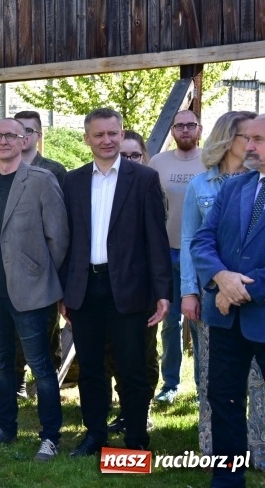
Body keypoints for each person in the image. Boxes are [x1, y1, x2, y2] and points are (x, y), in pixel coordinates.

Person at [61, 107, 171, 456]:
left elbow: (156, 238)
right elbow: (68, 240)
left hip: (129, 287)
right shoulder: (74, 181)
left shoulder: (143, 179)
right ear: (87, 138)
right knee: (91, 368)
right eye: (99, 135)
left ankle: (136, 439)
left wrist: (163, 292)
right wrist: (66, 291)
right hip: (85, 288)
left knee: (132, 367)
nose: (107, 140)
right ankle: (95, 436)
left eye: (113, 133)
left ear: (122, 135)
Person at [0, 118, 68, 460]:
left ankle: (50, 435)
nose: (4, 141)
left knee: (41, 365)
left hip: (32, 291)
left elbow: (58, 237)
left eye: (11, 135)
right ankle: (6, 426)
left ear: (25, 139)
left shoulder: (42, 180)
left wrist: (40, 275)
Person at [180, 111, 265, 469]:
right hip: (225, 319)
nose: (250, 146)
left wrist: (237, 288)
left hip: (255, 312)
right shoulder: (236, 186)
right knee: (224, 399)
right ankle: (228, 478)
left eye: (258, 140)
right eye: (249, 139)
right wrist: (220, 277)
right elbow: (201, 240)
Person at [148, 109, 205, 404]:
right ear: (172, 131)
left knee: (199, 322)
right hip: (166, 250)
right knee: (169, 321)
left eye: (190, 125)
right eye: (179, 125)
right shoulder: (158, 162)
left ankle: (201, 385)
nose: (185, 130)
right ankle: (170, 384)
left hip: (199, 254)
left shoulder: (211, 160)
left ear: (200, 129)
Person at [105, 128, 160, 434]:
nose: (127, 160)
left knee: (144, 353)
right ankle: (126, 408)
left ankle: (142, 409)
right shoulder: (102, 188)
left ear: (144, 157)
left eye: (134, 155)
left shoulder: (150, 187)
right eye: (122, 155)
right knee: (114, 352)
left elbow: (157, 244)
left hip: (143, 288)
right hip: (110, 286)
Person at [15, 110, 67, 188]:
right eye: (18, 130)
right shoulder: (1, 169)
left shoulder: (55, 170)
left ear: (39, 136)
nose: (22, 135)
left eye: (28, 130)